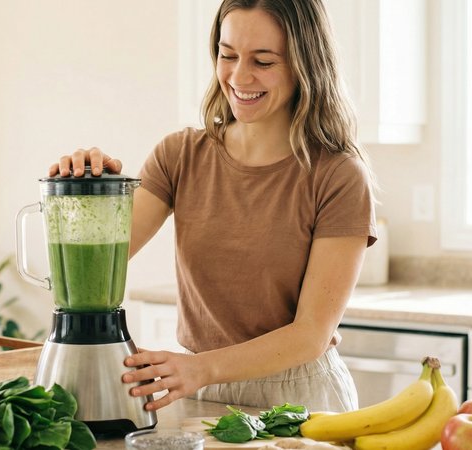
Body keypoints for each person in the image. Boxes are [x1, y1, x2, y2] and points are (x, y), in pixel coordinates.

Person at [48, 0, 377, 413]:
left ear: (304, 65)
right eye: (228, 55)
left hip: (298, 398)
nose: (239, 76)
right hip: (202, 392)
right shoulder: (180, 156)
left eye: (263, 61)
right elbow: (98, 265)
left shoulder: (338, 176)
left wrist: (202, 368)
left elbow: (311, 334)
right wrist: (86, 193)